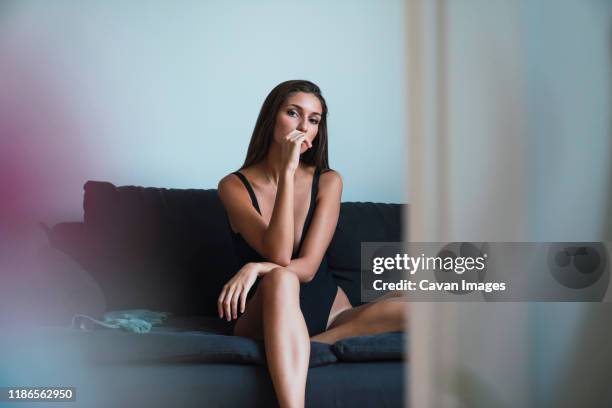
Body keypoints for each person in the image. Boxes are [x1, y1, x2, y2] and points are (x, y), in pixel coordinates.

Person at [217, 80, 405, 408]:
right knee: (280, 276)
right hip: (264, 313)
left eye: (314, 120)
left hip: (329, 312)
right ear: (271, 118)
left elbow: (308, 267)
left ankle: (306, 343)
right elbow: (279, 254)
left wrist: (255, 266)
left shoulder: (328, 181)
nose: (304, 127)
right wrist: (288, 172)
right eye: (293, 113)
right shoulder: (234, 185)